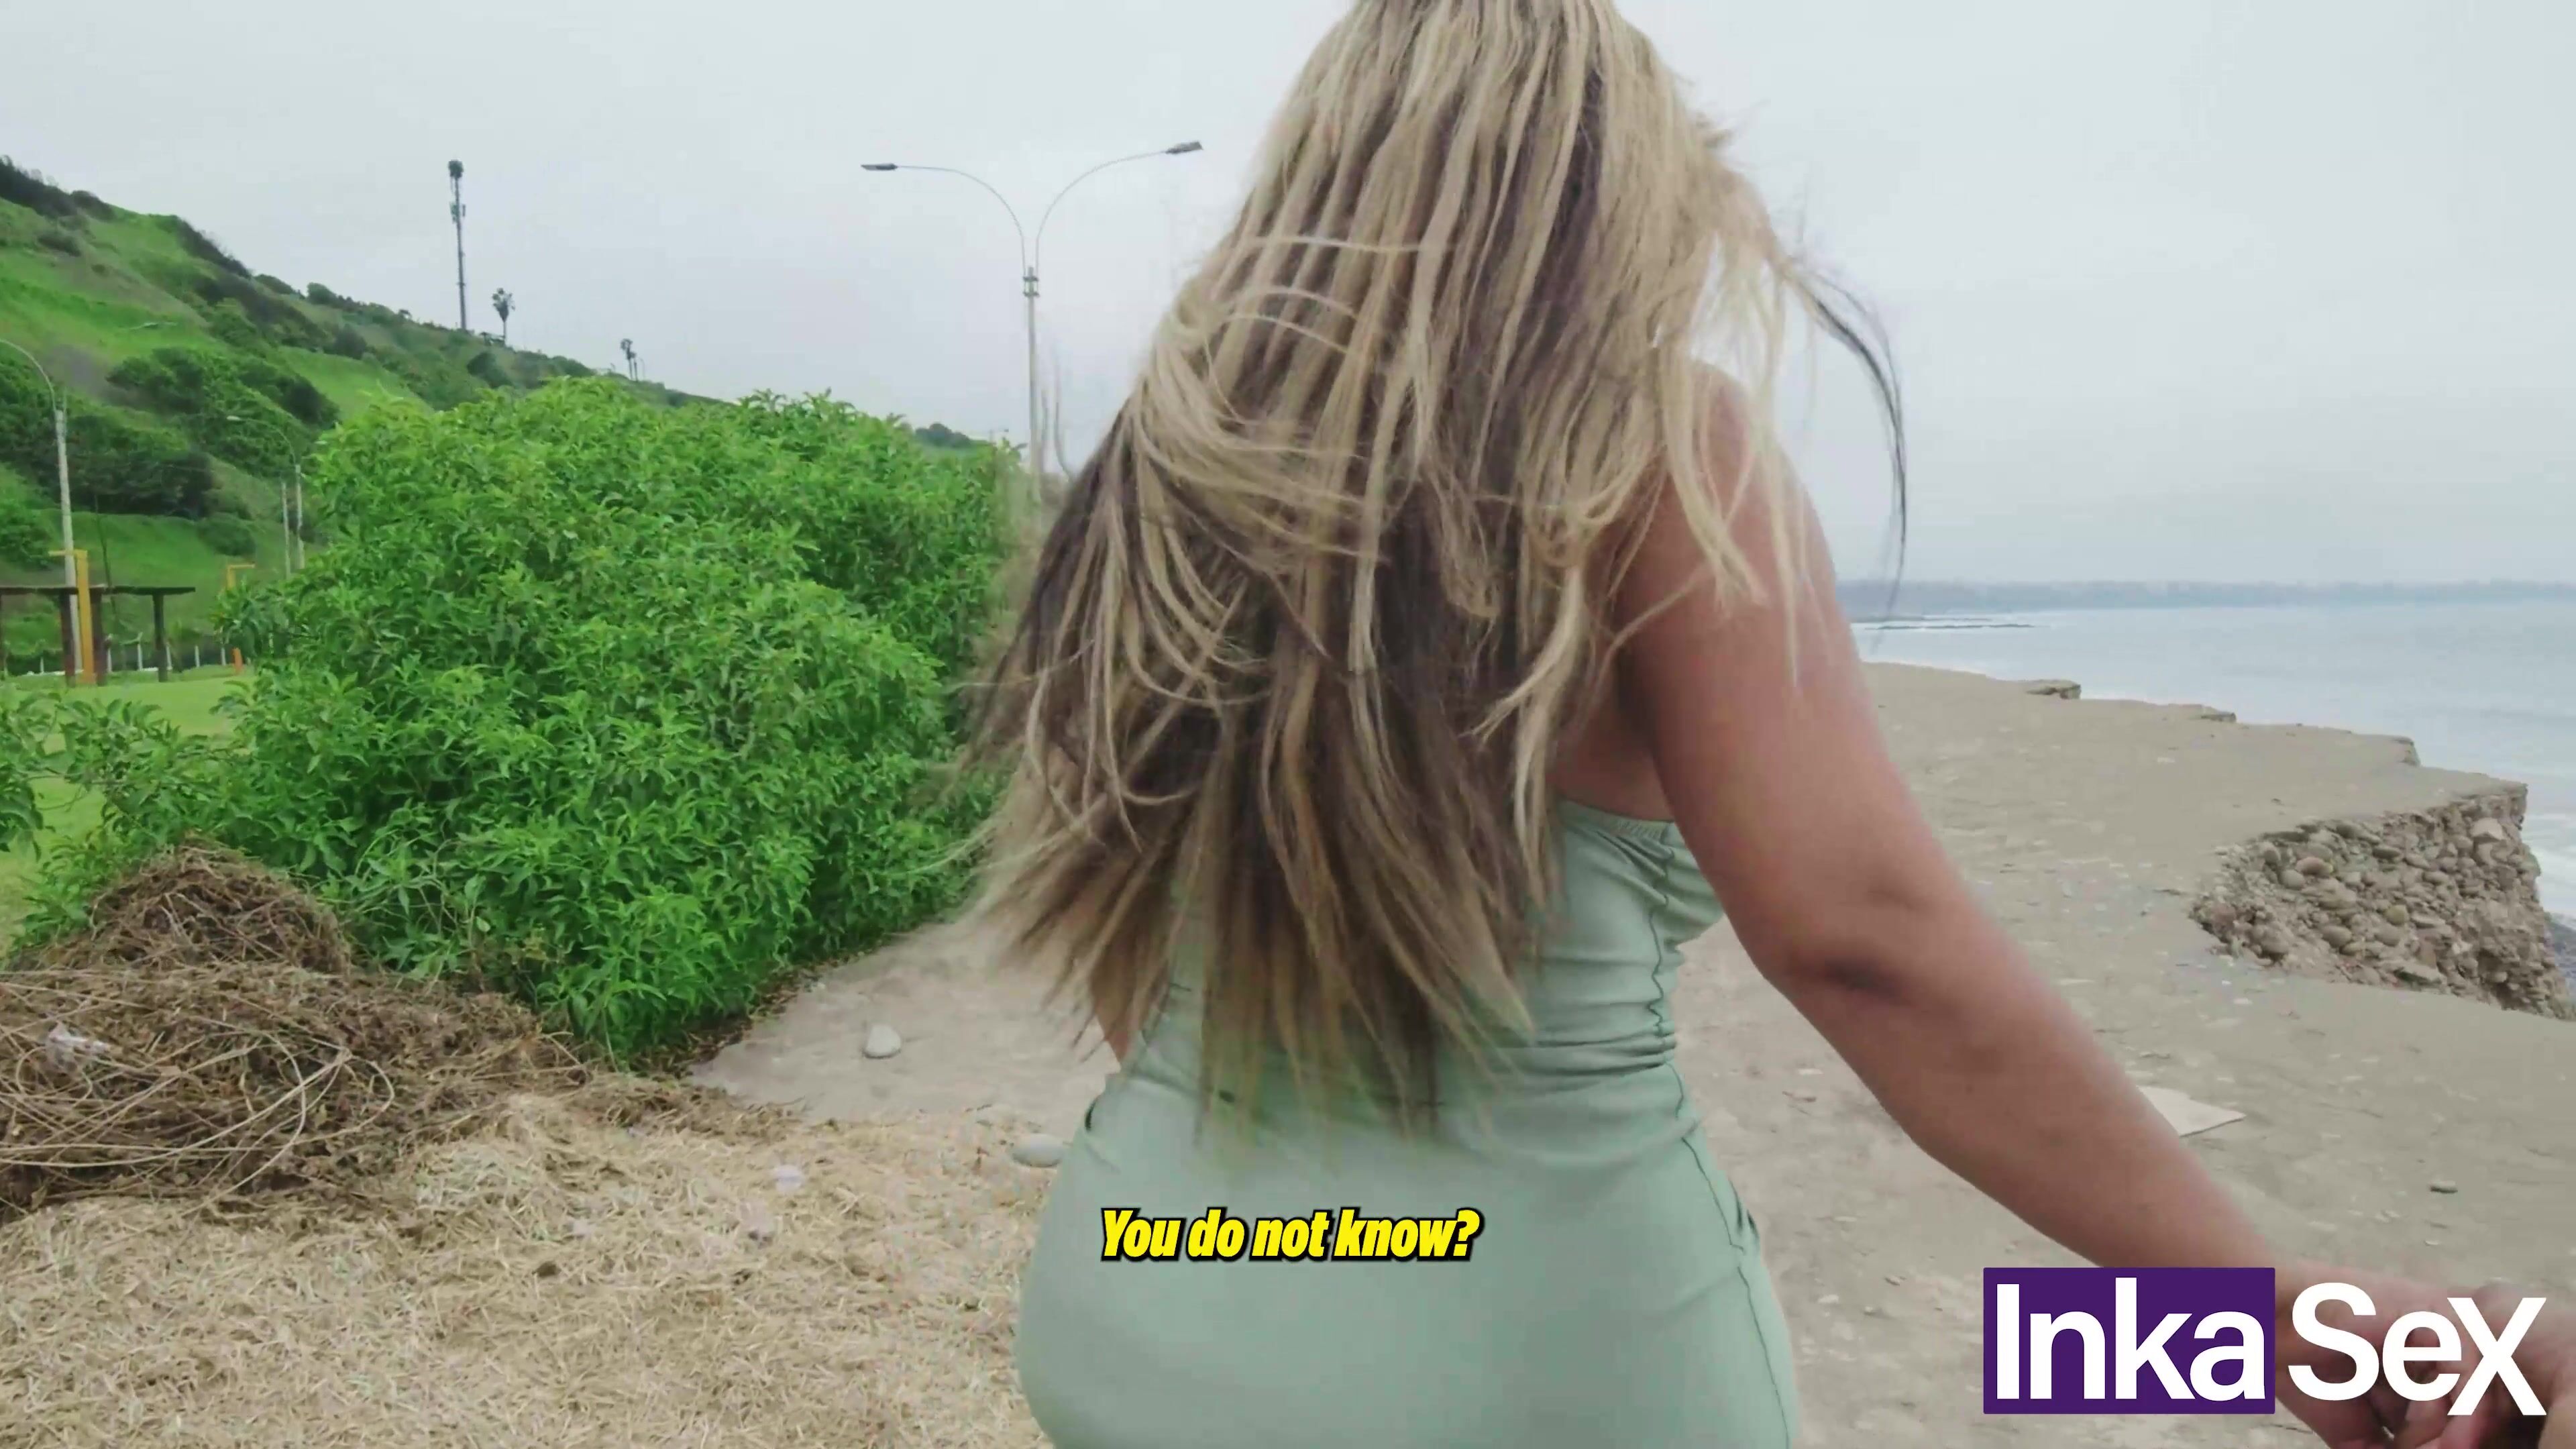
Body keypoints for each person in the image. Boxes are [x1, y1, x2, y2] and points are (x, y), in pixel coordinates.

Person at [963, 3, 2475, 1445]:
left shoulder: (1157, 468)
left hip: (1141, 1285)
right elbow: (1867, 948)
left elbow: (1134, 957)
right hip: (1523, 1366)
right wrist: (2282, 1322)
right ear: (1612, 198)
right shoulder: (1651, 450)